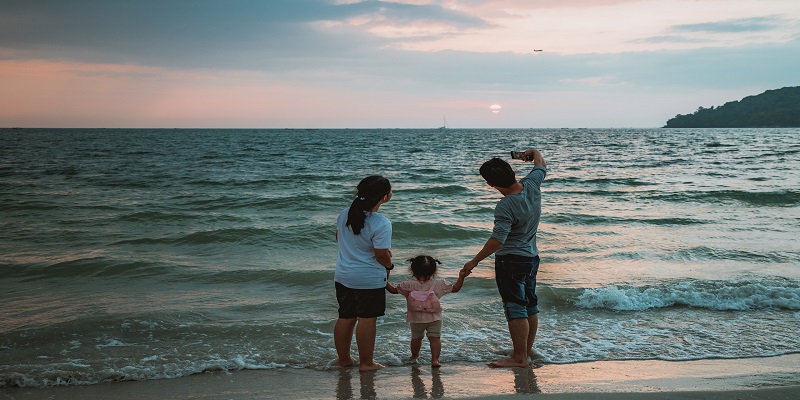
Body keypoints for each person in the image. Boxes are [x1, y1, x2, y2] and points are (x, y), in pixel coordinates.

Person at [462, 149, 547, 368]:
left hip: (510, 260)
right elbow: (540, 164)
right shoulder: (532, 185)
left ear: (490, 184)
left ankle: (519, 358)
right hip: (531, 257)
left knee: (515, 307)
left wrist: (474, 261)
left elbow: (498, 240)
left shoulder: (505, 205)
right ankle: (525, 351)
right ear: (512, 172)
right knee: (529, 304)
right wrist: (530, 153)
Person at [334, 175, 394, 372]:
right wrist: (390, 265)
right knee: (367, 319)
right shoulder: (381, 223)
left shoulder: (345, 214)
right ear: (385, 197)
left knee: (346, 318)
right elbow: (380, 255)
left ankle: (343, 359)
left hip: (343, 275)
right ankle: (366, 363)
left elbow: (339, 238)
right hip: (368, 279)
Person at [386, 255, 466, 368]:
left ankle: (414, 357)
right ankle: (435, 360)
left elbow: (393, 290)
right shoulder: (439, 284)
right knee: (435, 338)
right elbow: (455, 288)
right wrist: (461, 276)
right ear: (434, 270)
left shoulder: (408, 285)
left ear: (412, 269)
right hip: (435, 318)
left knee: (416, 338)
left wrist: (384, 280)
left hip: (415, 318)